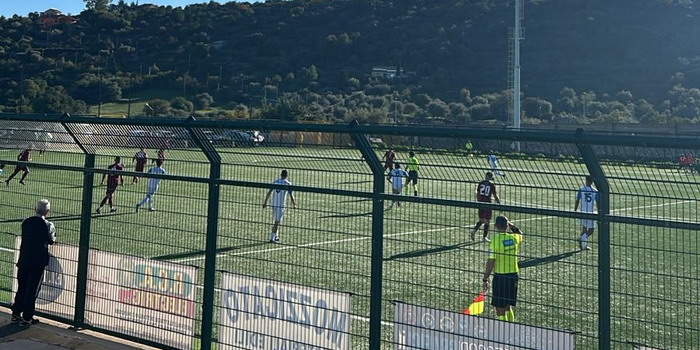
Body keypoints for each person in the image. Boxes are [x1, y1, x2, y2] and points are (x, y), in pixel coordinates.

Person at [11, 199, 56, 326]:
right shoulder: (48, 225)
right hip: (38, 262)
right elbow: (51, 240)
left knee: (22, 287)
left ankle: (16, 313)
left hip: (24, 259)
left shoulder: (26, 221)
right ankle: (27, 317)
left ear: (34, 209)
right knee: (32, 290)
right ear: (47, 211)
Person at [481, 215, 523, 323]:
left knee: (500, 309)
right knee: (508, 306)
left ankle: (503, 331)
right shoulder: (514, 238)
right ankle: (511, 327)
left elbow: (491, 262)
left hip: (501, 277)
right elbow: (520, 234)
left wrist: (485, 279)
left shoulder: (495, 241)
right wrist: (512, 226)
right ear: (507, 226)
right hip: (513, 275)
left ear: (495, 226)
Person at [262, 170, 297, 243]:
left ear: (281, 175)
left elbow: (269, 192)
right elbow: (291, 195)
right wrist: (294, 204)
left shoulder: (276, 181)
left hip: (274, 204)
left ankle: (276, 236)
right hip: (280, 205)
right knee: (277, 222)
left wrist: (265, 202)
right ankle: (272, 238)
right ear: (287, 176)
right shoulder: (288, 183)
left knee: (277, 220)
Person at [471, 172, 501, 242]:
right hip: (488, 204)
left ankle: (474, 230)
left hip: (481, 203)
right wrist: (498, 202)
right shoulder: (491, 185)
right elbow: (495, 195)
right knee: (487, 220)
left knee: (481, 220)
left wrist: (479, 201)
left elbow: (478, 193)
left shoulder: (481, 183)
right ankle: (484, 237)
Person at [574, 175, 599, 251]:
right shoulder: (595, 191)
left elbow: (577, 200)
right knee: (591, 230)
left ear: (586, 180)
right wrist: (598, 212)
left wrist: (575, 209)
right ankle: (581, 239)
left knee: (584, 229)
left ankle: (583, 246)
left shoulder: (581, 189)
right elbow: (597, 203)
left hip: (582, 212)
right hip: (590, 212)